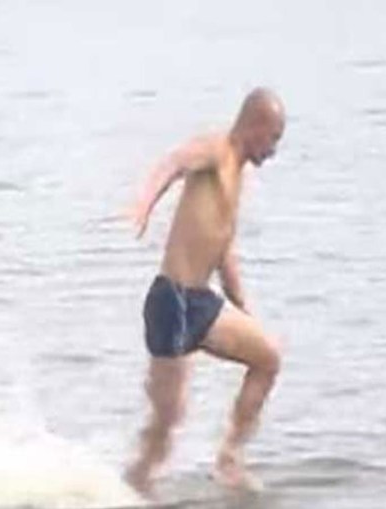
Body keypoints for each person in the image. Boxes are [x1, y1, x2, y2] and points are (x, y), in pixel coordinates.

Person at [124, 87, 286, 498]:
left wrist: (244, 307)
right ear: (255, 125)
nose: (273, 151)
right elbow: (174, 163)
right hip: (171, 302)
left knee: (267, 357)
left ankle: (229, 458)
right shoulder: (217, 149)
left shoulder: (238, 178)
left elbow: (222, 249)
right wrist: (143, 204)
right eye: (273, 138)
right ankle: (132, 489)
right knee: (166, 422)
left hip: (201, 303)